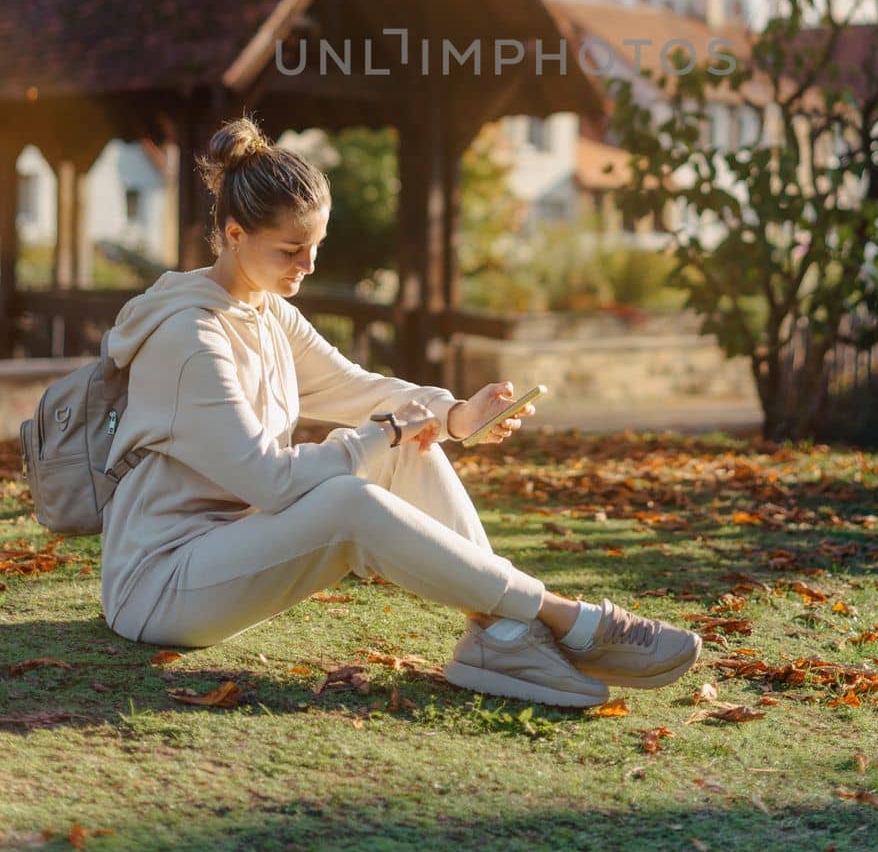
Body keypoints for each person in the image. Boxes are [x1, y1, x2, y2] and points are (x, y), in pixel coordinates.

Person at [100, 116, 702, 708]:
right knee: (353, 497)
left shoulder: (264, 309)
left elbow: (355, 387)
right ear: (234, 234)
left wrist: (457, 416)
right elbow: (270, 480)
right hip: (160, 584)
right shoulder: (191, 338)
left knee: (407, 450)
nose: (307, 266)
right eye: (290, 249)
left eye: (315, 247)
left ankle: (502, 634)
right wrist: (377, 434)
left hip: (230, 548)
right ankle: (563, 617)